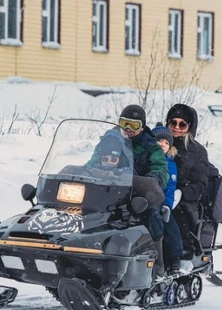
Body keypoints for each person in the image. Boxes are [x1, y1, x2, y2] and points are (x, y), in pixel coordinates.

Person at [90, 105, 169, 279]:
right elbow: (93, 162)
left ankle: (157, 267)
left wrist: (150, 181)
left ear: (142, 127)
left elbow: (161, 170)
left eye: (133, 125)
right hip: (106, 190)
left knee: (152, 215)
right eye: (124, 123)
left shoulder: (151, 146)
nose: (128, 129)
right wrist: (87, 172)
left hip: (138, 193)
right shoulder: (109, 140)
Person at [167, 103, 210, 260]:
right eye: (173, 123)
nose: (177, 127)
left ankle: (183, 255)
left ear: (189, 127)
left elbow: (199, 185)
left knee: (176, 213)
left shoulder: (197, 152)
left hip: (184, 200)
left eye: (182, 124)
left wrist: (180, 193)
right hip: (157, 193)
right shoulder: (160, 142)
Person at [152, 123, 192, 274]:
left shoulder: (170, 164)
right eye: (159, 141)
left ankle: (175, 258)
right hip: (144, 199)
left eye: (166, 142)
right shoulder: (146, 158)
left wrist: (167, 205)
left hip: (160, 201)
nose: (162, 144)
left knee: (170, 227)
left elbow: (170, 188)